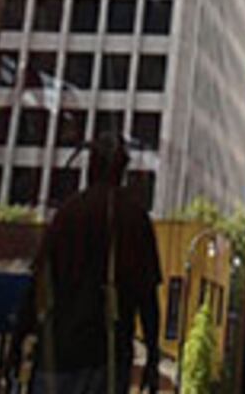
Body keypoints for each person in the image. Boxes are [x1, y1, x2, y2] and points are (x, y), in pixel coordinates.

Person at [30, 129, 164, 394]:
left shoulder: (67, 213)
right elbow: (147, 298)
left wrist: (18, 341)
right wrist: (152, 358)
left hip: (57, 357)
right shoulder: (135, 219)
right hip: (107, 361)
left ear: (93, 166)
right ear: (121, 170)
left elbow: (38, 284)